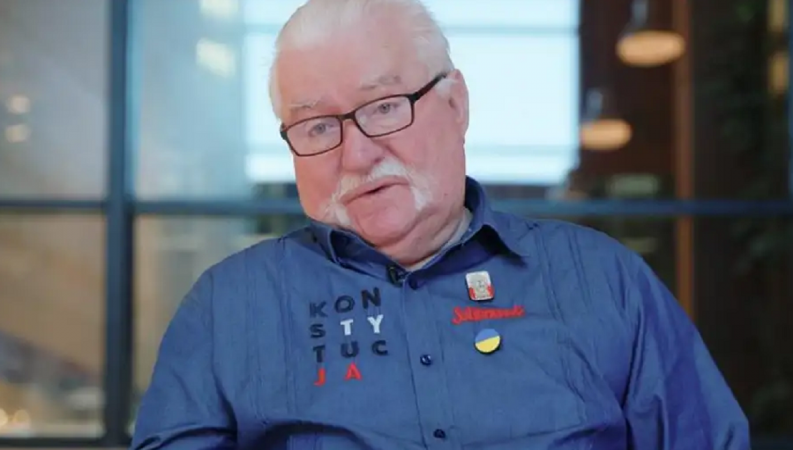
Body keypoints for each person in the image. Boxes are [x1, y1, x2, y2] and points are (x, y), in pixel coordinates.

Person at [130, 0, 751, 448]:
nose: (357, 153)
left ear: (456, 104)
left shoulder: (602, 283)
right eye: (318, 127)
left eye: (383, 107)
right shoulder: (229, 310)